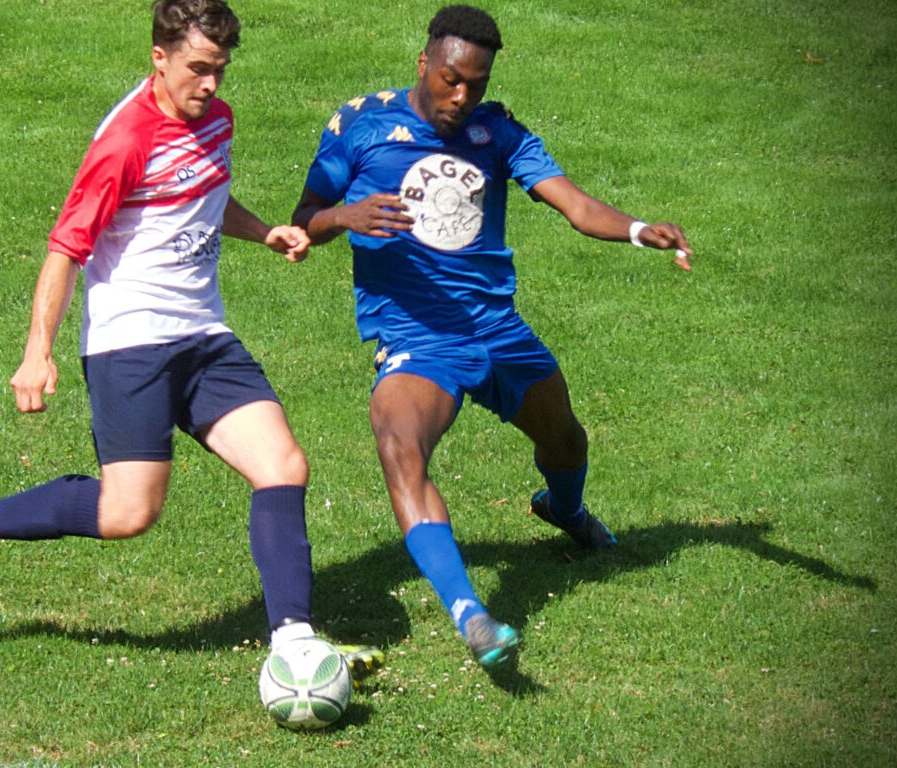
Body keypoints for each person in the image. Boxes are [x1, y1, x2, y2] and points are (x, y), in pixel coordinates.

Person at [0, 0, 382, 681]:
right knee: (128, 513)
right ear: (159, 57)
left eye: (221, 69)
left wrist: (262, 231)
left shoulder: (216, 118)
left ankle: (294, 642)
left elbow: (206, 196)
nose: (211, 83)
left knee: (283, 465)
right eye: (199, 68)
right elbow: (66, 248)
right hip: (131, 345)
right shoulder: (125, 141)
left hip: (204, 334)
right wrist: (37, 352)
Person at [291, 4, 692, 668]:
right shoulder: (361, 124)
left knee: (565, 440)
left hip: (497, 329)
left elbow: (575, 205)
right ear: (424, 63)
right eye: (450, 80)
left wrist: (636, 229)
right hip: (418, 337)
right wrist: (346, 215)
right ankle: (470, 614)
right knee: (400, 447)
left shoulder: (496, 130)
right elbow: (303, 219)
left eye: (474, 85)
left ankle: (565, 511)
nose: (461, 97)